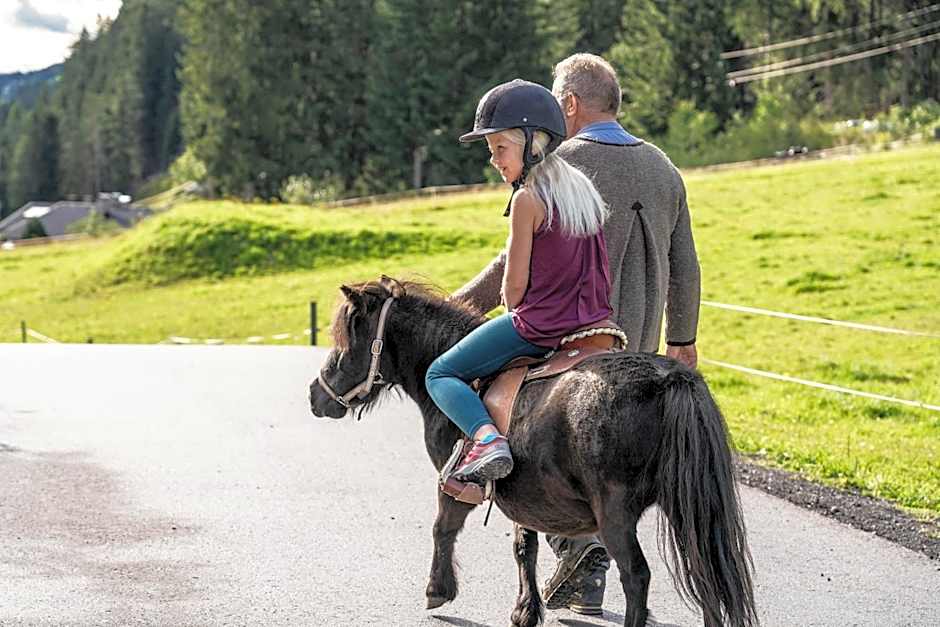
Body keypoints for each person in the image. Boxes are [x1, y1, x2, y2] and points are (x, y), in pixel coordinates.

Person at [453, 53, 702, 616]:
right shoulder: (664, 167)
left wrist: (457, 306)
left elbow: (512, 263)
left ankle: (576, 548)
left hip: (574, 342)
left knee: (544, 445)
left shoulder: (559, 163)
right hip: (636, 347)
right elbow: (685, 263)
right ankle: (591, 555)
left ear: (567, 105)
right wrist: (681, 340)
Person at [425, 78, 612, 486]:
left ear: (533, 145)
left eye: (500, 148)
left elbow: (512, 291)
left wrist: (514, 311)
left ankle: (487, 439)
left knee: (439, 373)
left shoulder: (527, 199)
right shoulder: (584, 193)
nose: (494, 160)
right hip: (597, 325)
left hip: (540, 328)